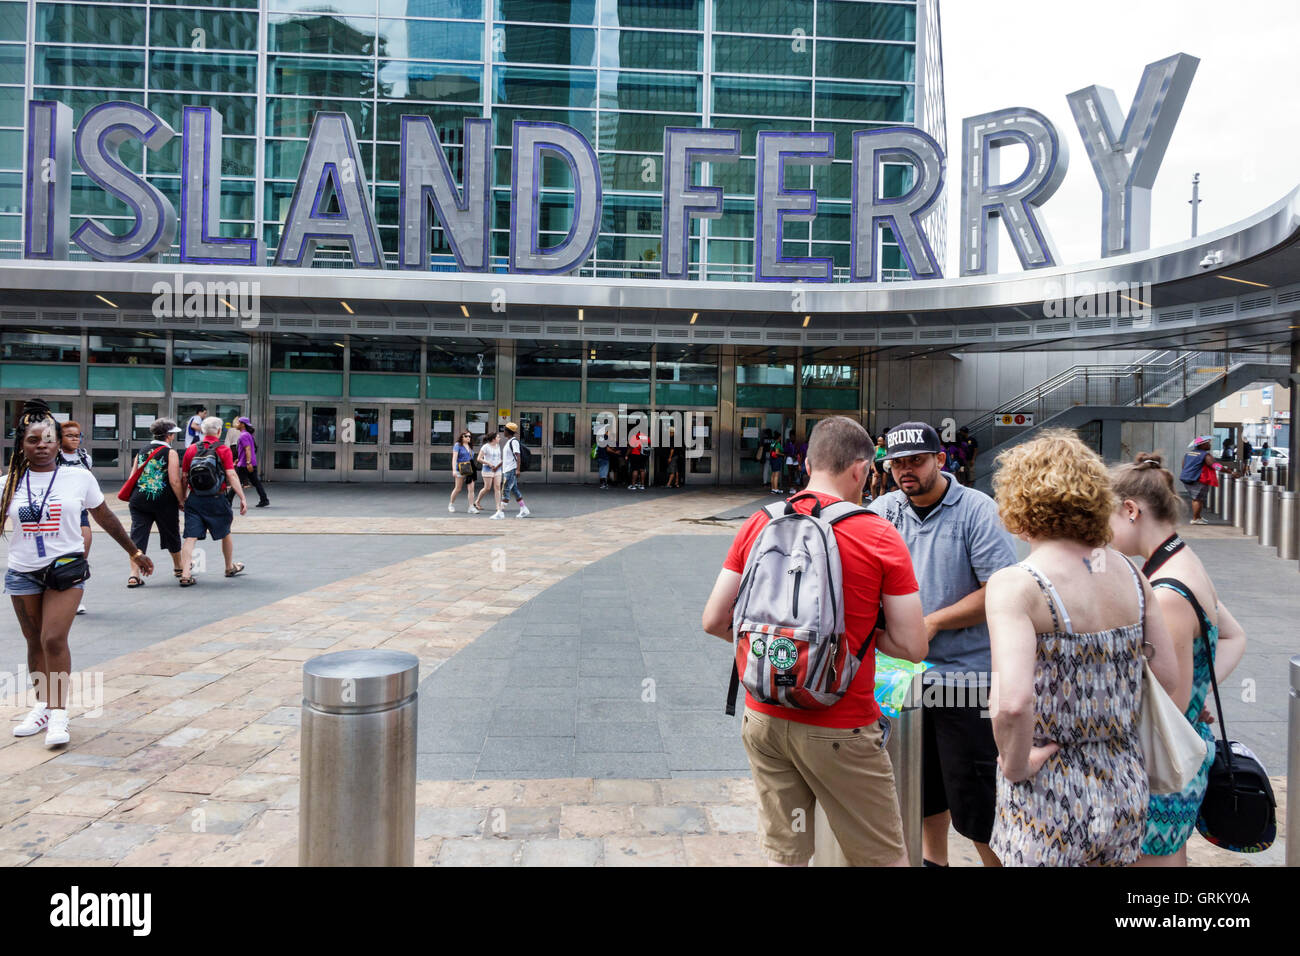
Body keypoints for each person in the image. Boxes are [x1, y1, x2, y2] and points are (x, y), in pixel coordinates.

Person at [702, 416, 927, 866]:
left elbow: (713, 620)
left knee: (786, 854)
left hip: (763, 716)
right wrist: (850, 640)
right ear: (862, 470)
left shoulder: (759, 523)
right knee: (885, 858)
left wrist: (780, 648)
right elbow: (912, 646)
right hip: (840, 724)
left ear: (807, 463)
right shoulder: (879, 534)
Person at [984, 430, 1176, 866]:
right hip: (1125, 779)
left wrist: (1015, 766)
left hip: (1050, 786)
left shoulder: (1018, 585)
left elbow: (1012, 703)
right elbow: (1166, 676)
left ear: (1019, 499)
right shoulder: (1130, 573)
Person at [867, 421, 1019, 867]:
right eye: (897, 463)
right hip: (900, 678)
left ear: (940, 460)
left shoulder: (976, 509)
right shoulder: (882, 511)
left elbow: (1000, 589)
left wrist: (931, 623)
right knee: (920, 789)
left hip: (964, 677)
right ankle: (935, 861)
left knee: (976, 797)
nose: (905, 471)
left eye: (916, 461)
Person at [1110, 453, 1248, 866]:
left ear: (1131, 510)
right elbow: (1234, 636)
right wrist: (1201, 695)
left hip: (1163, 765)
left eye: (1106, 518)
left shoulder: (1166, 593)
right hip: (1187, 756)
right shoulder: (1184, 561)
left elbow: (1168, 702)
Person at [4, 400, 154, 747]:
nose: (40, 445)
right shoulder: (9, 483)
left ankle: (59, 715)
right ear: (21, 445)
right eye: (32, 440)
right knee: (33, 641)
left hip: (66, 571)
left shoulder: (78, 477)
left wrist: (134, 551)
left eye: (47, 439)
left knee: (53, 639)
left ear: (58, 442)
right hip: (23, 573)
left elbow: (104, 517)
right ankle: (42, 706)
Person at [179, 416, 247, 585]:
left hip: (195, 499)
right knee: (225, 532)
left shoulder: (192, 449)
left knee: (190, 537)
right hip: (217, 498)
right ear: (218, 431)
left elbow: (185, 477)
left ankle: (186, 574)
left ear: (202, 431)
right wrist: (242, 497)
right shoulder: (223, 449)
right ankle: (228, 567)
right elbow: (231, 474)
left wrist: (182, 498)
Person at [127, 419, 186, 587]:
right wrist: (181, 500)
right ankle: (178, 567)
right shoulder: (170, 452)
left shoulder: (142, 450)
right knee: (171, 532)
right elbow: (174, 481)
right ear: (168, 435)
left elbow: (133, 477)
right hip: (163, 500)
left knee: (137, 536)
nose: (174, 436)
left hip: (139, 499)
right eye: (173, 434)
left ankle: (134, 575)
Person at [57, 421, 92, 615]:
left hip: (79, 512)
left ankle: (76, 598)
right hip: (57, 513)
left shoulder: (85, 458)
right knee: (59, 556)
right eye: (70, 435)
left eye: (77, 435)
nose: (75, 439)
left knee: (81, 556)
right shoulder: (53, 457)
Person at [230, 417, 269, 508]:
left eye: (238, 423)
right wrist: (239, 459)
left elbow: (247, 449)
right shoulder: (247, 434)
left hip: (245, 465)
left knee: (236, 482)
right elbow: (246, 450)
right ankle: (264, 499)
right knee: (256, 482)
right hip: (247, 463)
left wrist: (248, 462)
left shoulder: (243, 435)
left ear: (243, 424)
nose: (236, 424)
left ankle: (227, 500)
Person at [1177, 436, 1215, 525]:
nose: (1210, 445)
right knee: (1197, 499)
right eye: (1208, 443)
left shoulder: (1188, 454)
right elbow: (1214, 465)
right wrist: (1229, 471)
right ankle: (1195, 518)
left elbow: (1184, 466)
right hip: (1196, 479)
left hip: (1187, 478)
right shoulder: (1205, 455)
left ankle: (1198, 517)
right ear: (1202, 445)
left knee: (1199, 498)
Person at [500, 422, 530, 518]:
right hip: (507, 469)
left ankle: (500, 512)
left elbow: (518, 456)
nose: (503, 432)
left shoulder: (514, 442)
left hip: (511, 470)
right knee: (514, 490)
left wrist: (517, 469)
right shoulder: (509, 441)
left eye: (504, 430)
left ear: (508, 431)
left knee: (505, 490)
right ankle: (524, 509)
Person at [474, 431, 503, 516]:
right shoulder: (485, 447)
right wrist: (488, 463)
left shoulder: (498, 446)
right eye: (498, 437)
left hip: (497, 468)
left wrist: (499, 463)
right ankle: (477, 501)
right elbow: (479, 459)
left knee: (497, 487)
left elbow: (498, 457)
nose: (499, 438)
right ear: (493, 439)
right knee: (487, 488)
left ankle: (498, 506)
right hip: (487, 469)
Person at [448, 429, 478, 513]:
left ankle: (471, 507)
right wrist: (454, 470)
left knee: (471, 488)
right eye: (466, 436)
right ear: (462, 437)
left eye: (469, 436)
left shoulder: (470, 446)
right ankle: (451, 504)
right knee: (458, 488)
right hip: (460, 467)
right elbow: (454, 458)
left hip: (469, 468)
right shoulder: (458, 445)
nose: (468, 438)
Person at [870, 434, 888, 500]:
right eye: (878, 441)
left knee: (883, 485)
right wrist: (875, 470)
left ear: (884, 441)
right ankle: (873, 499)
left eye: (880, 441)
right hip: (876, 466)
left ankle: (880, 499)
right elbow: (872, 460)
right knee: (873, 484)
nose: (879, 443)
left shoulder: (887, 448)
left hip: (884, 466)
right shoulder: (876, 448)